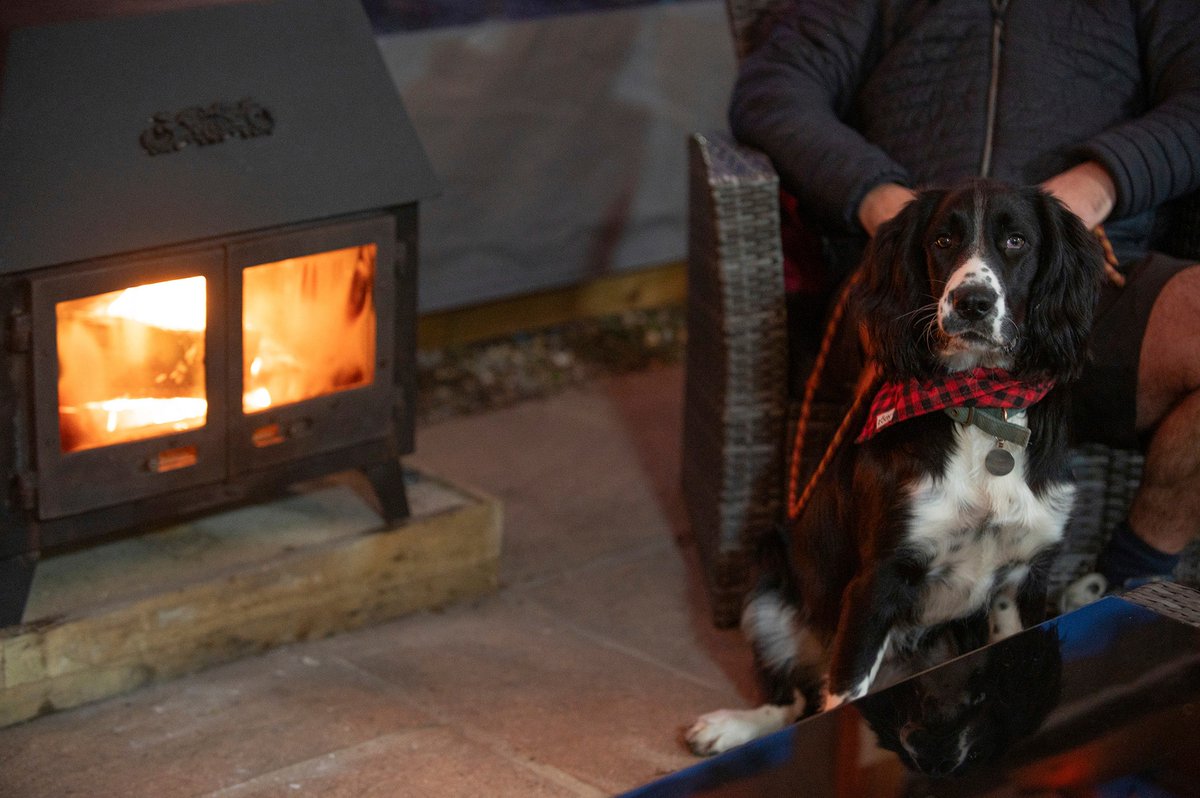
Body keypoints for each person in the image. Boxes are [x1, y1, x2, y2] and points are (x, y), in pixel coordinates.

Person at [728, 0, 1200, 602]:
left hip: (1084, 275)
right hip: (915, 279)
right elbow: (772, 90)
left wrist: (1103, 179)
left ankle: (1125, 579)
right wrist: (877, 197)